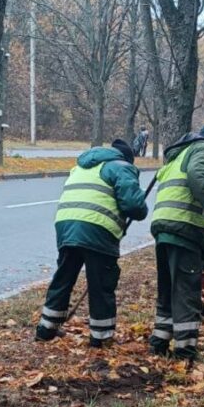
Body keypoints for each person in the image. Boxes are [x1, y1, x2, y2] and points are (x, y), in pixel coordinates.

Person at [36, 139, 148, 347]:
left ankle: (45, 330)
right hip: (97, 229)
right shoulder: (122, 166)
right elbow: (134, 206)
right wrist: (141, 203)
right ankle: (101, 338)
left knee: (63, 278)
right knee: (101, 284)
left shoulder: (81, 166)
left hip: (66, 226)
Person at [150, 124, 204, 361]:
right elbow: (199, 177)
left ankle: (159, 342)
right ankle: (185, 351)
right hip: (184, 228)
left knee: (168, 289)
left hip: (166, 228)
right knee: (186, 290)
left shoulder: (178, 156)